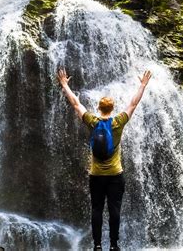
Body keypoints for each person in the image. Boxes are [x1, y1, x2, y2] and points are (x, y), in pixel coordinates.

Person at [57, 68, 152, 250]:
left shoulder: (93, 121)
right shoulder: (118, 122)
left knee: (97, 209)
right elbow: (133, 103)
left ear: (99, 108)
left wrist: (64, 85)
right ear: (112, 108)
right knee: (114, 210)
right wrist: (142, 85)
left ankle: (98, 246)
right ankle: (114, 246)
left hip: (96, 176)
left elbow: (76, 104)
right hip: (116, 175)